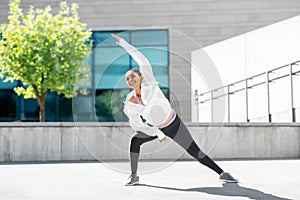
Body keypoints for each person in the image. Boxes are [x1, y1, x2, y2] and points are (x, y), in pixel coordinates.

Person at [111, 34, 238, 186]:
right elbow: (136, 123)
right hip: (158, 128)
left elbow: (142, 60)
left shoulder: (149, 83)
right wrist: (157, 133)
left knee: (194, 151)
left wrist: (124, 43)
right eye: (127, 79)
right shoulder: (130, 101)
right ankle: (134, 175)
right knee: (135, 141)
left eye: (132, 77)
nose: (130, 80)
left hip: (173, 124)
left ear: (141, 77)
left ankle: (222, 173)